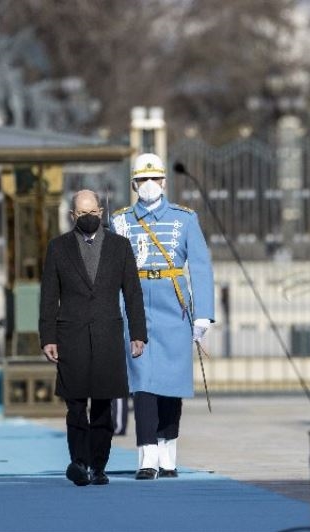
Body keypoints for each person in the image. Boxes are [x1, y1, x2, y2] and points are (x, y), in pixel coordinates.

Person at [111, 153, 215, 480]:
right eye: (142, 180)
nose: (148, 186)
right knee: (142, 382)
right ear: (133, 184)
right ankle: (147, 456)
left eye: (153, 179)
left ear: (165, 182)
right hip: (135, 305)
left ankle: (168, 450)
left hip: (174, 306)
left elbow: (199, 265)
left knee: (171, 382)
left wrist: (204, 315)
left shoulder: (185, 219)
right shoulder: (120, 221)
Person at [39, 189, 147, 487]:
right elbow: (49, 296)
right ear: (73, 215)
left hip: (107, 334)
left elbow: (133, 292)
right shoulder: (58, 248)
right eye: (81, 214)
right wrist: (47, 336)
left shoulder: (120, 247)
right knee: (75, 406)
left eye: (93, 212)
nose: (88, 218)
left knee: (103, 407)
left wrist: (138, 333)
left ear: (101, 212)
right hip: (70, 334)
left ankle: (99, 466)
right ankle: (80, 462)